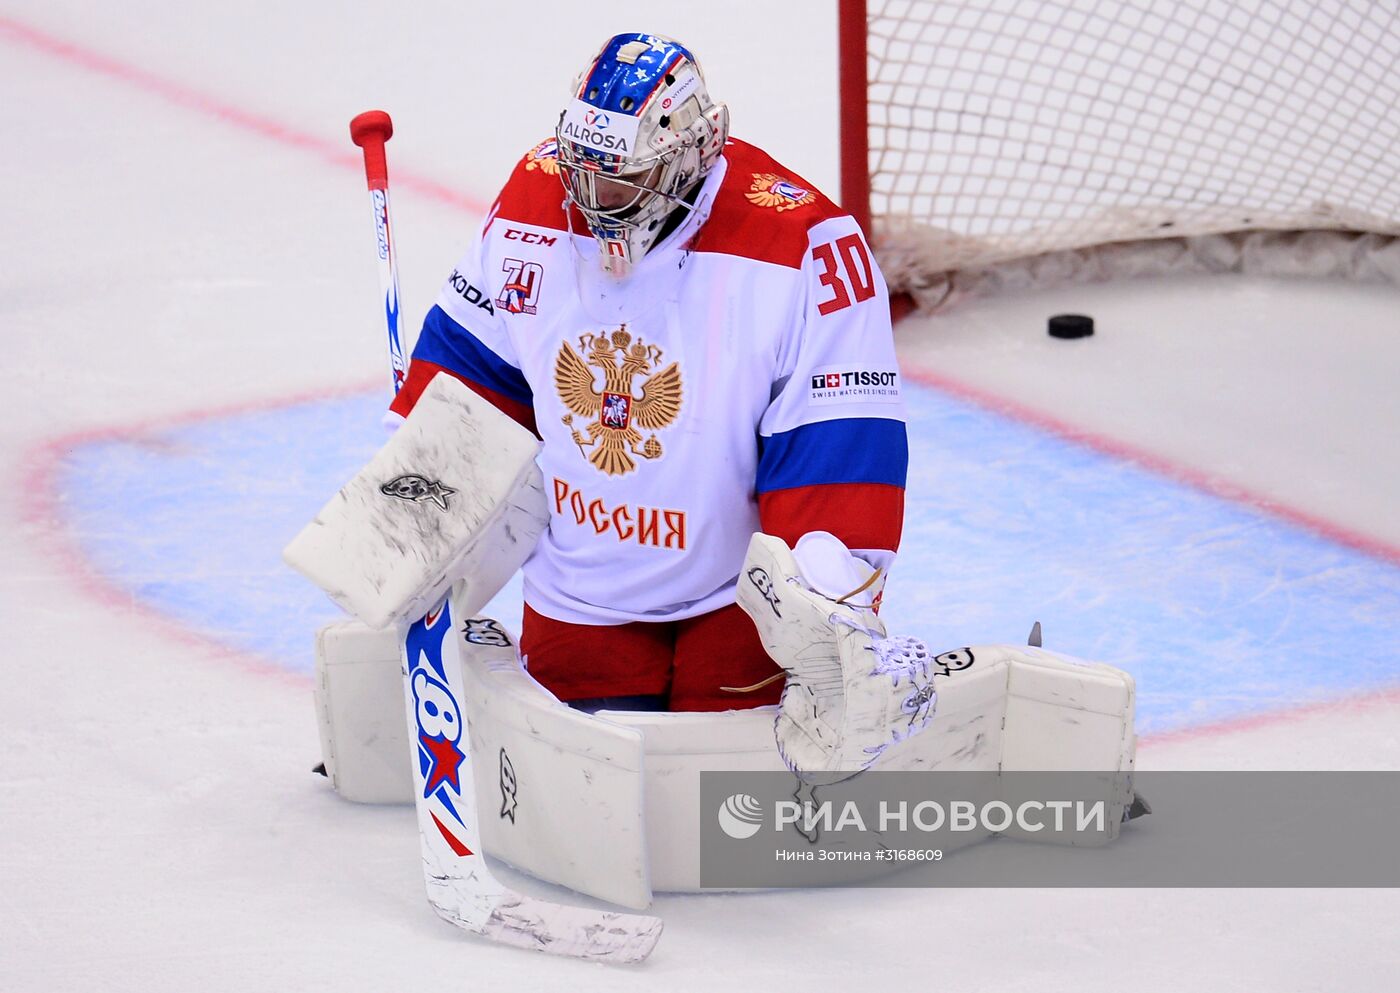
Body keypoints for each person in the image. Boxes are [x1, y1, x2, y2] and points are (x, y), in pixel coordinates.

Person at [387, 32, 908, 714]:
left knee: (723, 807)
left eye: (619, 178)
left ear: (688, 155)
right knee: (577, 799)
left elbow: (837, 443)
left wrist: (826, 613)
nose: (592, 198)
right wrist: (412, 505)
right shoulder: (534, 205)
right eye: (581, 168)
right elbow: (474, 375)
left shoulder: (802, 245)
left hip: (738, 603)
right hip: (578, 592)